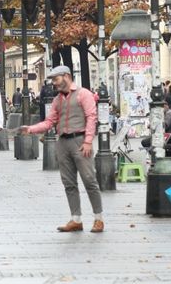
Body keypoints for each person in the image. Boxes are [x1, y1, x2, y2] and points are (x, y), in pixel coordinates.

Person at [19, 65, 104, 233]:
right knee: (68, 182)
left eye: (56, 79)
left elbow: (91, 117)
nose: (54, 84)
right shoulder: (58, 100)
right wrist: (31, 129)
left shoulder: (83, 94)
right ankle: (76, 219)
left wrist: (88, 141)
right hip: (63, 142)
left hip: (80, 141)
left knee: (89, 180)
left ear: (66, 76)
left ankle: (98, 218)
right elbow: (50, 122)